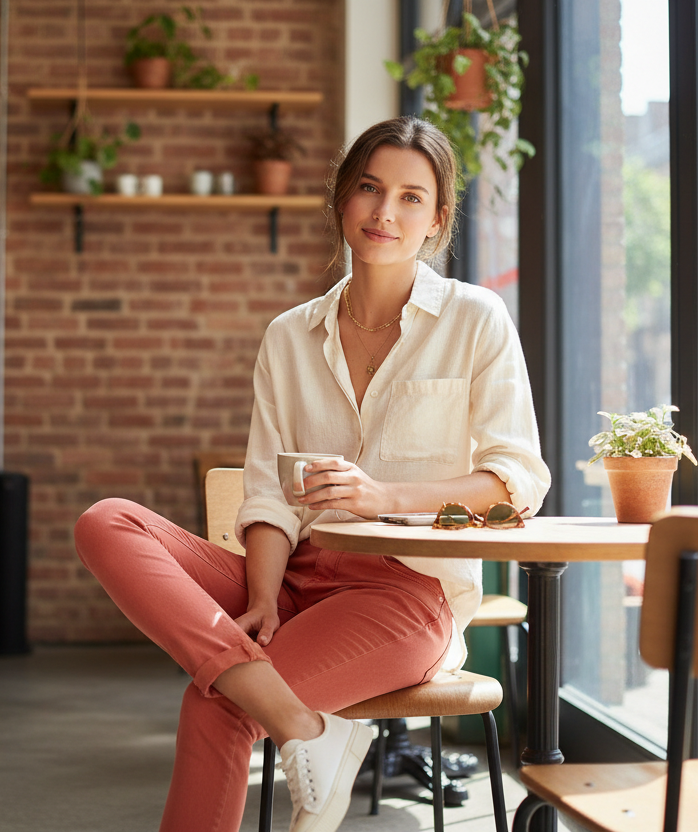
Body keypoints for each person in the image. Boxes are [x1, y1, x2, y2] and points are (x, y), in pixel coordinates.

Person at [74, 116, 551, 832]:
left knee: (218, 705)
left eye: (411, 197)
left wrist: (385, 496)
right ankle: (297, 717)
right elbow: (268, 491)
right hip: (295, 579)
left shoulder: (475, 320)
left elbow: (516, 482)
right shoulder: (290, 335)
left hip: (405, 591)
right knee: (106, 521)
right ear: (340, 200)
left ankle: (273, 703)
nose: (385, 212)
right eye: (368, 188)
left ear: (438, 218)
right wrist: (262, 596)